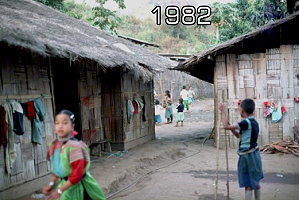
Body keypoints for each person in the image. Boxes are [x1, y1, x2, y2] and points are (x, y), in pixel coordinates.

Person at [42, 109, 106, 200]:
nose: (60, 126)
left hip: (81, 187)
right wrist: (51, 184)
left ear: (72, 127)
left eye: (65, 123)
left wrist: (59, 191)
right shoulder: (54, 146)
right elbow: (57, 169)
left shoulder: (74, 147)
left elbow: (76, 175)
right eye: (57, 123)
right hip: (66, 186)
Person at [219, 99, 263, 200]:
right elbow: (239, 136)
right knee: (256, 183)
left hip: (247, 156)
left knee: (248, 184)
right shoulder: (254, 122)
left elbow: (225, 126)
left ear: (243, 111)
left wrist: (222, 111)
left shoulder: (245, 123)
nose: (239, 111)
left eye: (239, 109)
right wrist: (232, 128)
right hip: (255, 155)